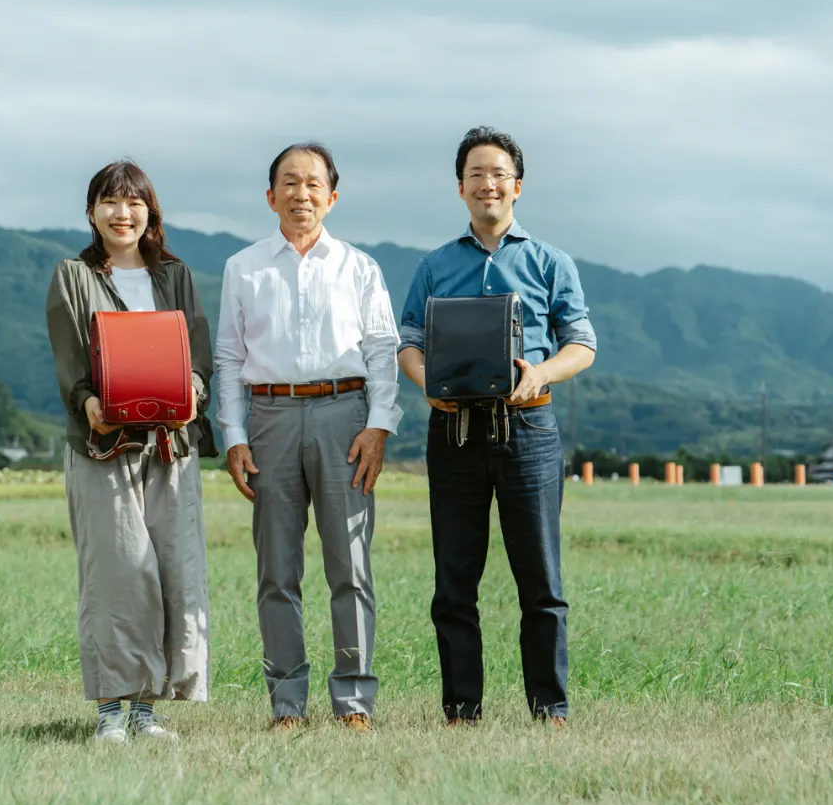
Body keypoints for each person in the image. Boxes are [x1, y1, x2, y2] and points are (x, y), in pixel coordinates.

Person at [397, 127, 596, 726]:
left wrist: (541, 374)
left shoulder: (551, 262)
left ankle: (550, 708)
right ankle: (461, 709)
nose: (489, 183)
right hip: (453, 431)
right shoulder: (435, 265)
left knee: (541, 578)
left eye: (499, 173)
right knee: (454, 580)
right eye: (477, 173)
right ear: (461, 188)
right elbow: (406, 342)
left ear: (518, 186)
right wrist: (427, 382)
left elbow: (581, 344)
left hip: (528, 431)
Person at [215, 143, 401, 731]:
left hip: (345, 417)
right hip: (268, 417)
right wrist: (234, 435)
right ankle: (287, 703)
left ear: (332, 196)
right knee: (277, 570)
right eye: (289, 183)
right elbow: (227, 358)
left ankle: (354, 701)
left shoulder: (359, 267)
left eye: (313, 184)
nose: (301, 194)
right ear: (270, 196)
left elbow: (382, 354)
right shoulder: (244, 267)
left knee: (350, 563)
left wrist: (378, 427)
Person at [46, 160, 215, 743]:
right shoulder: (73, 275)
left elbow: (198, 354)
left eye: (134, 202)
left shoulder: (175, 273)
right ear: (92, 212)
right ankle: (110, 713)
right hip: (104, 446)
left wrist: (194, 389)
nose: (123, 213)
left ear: (150, 211)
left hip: (171, 442)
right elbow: (70, 355)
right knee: (118, 574)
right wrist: (88, 401)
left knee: (172, 570)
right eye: (110, 202)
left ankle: (147, 712)